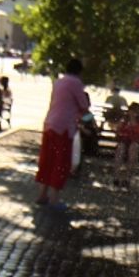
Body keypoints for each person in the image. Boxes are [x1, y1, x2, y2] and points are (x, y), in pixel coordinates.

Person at [35, 58, 89, 210]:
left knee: (47, 160)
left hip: (49, 123)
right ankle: (54, 198)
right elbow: (83, 105)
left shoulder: (58, 82)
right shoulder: (76, 83)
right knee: (60, 162)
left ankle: (42, 194)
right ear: (79, 71)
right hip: (64, 127)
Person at [112, 101, 139, 188]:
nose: (132, 113)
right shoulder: (123, 123)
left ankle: (127, 178)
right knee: (120, 148)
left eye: (135, 112)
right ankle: (116, 177)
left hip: (136, 146)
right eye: (131, 111)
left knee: (133, 148)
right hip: (124, 144)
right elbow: (117, 135)